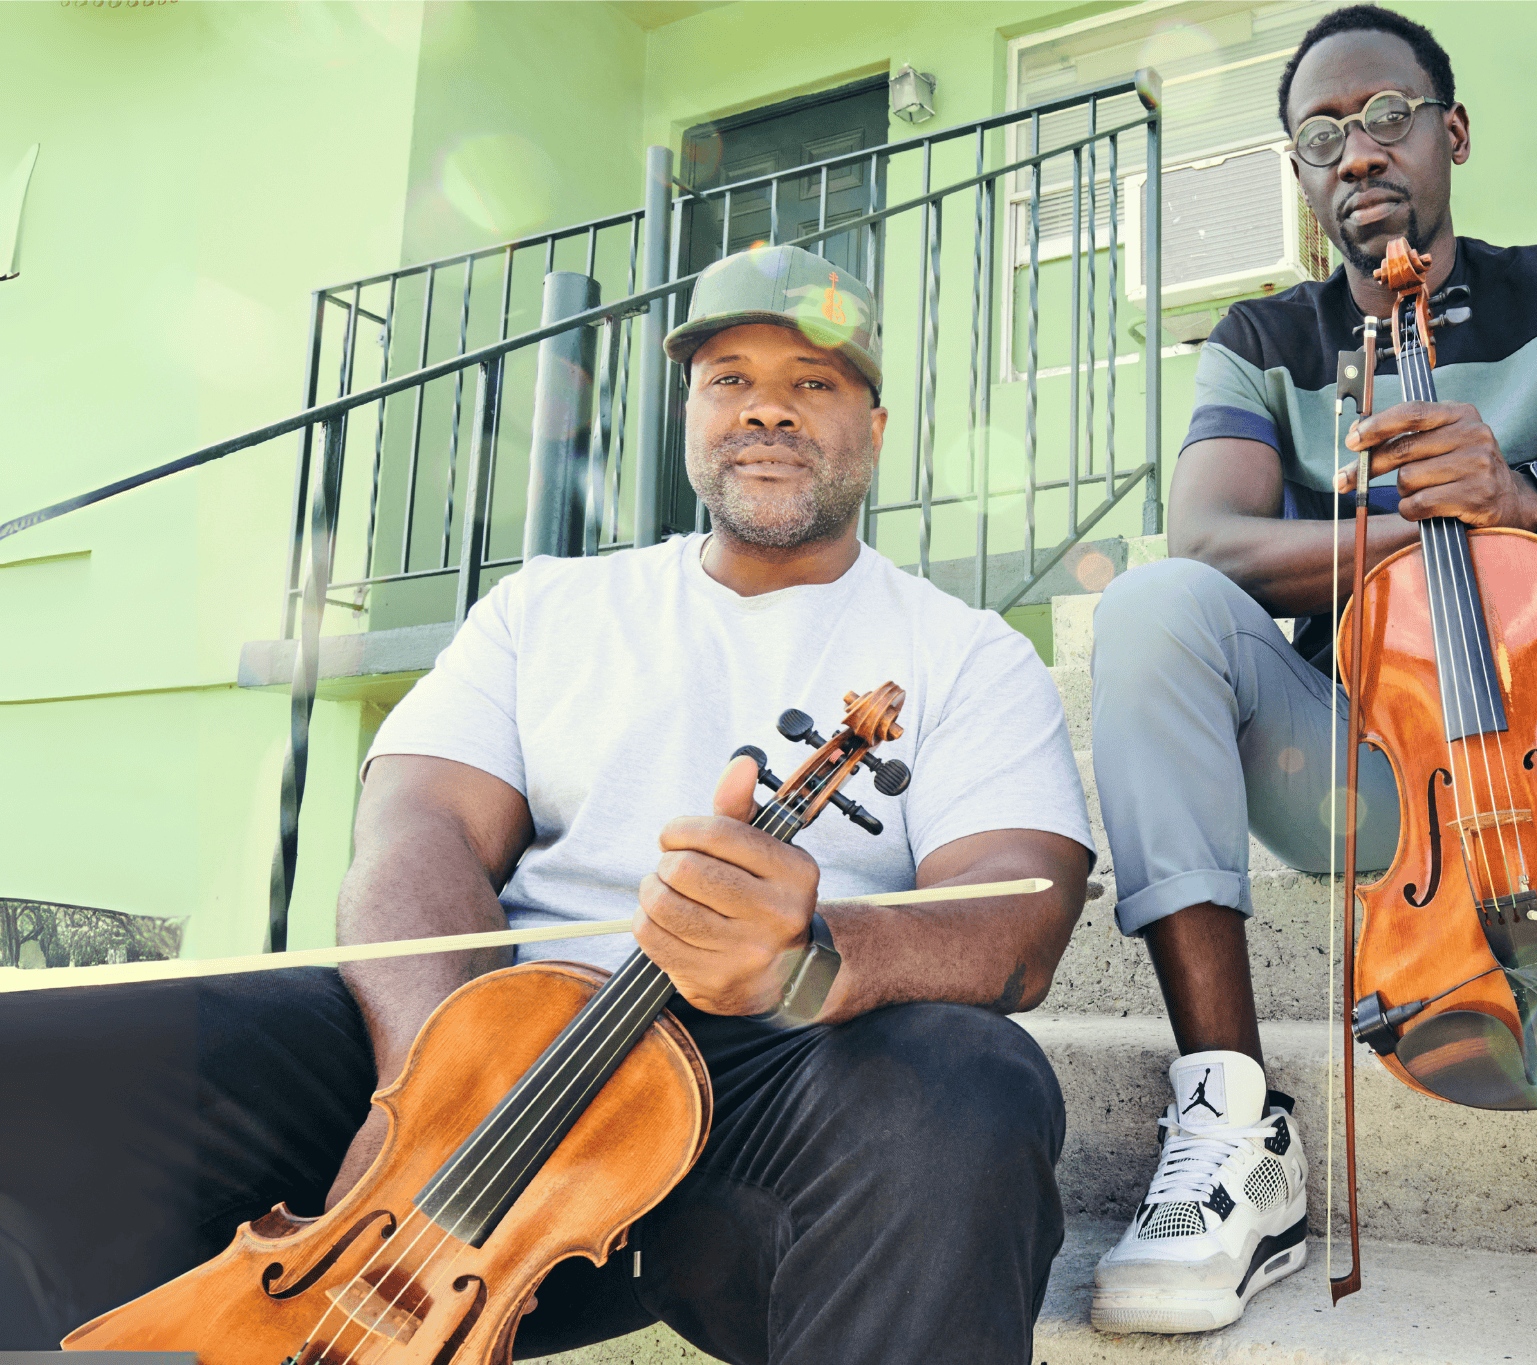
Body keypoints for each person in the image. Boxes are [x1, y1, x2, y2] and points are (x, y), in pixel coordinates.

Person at [0, 244, 1096, 1365]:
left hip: (775, 1073)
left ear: (869, 423)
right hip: (478, 1031)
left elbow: (1016, 913)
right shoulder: (549, 606)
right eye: (730, 378)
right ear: (689, 414)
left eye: (811, 384)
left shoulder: (965, 655)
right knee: (43, 1061)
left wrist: (807, 957)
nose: (767, 410)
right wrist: (419, 1104)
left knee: (972, 1093)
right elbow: (416, 829)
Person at [1082, 7, 1537, 1360]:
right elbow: (1213, 538)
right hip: (1362, 769)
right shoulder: (1262, 335)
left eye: (1385, 116)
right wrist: (1444, 524)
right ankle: (1231, 1122)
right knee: (1156, 607)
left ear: (1449, 131)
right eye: (1320, 136)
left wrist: (1515, 486)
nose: (1355, 154)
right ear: (1300, 173)